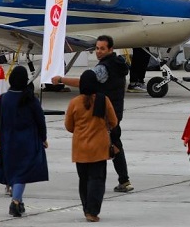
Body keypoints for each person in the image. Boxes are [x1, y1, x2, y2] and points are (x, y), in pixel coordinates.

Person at [53, 35, 132, 192]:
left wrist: (61, 79)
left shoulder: (104, 67)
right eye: (97, 48)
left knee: (108, 144)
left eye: (102, 49)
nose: (98, 52)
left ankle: (117, 180)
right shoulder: (118, 63)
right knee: (115, 142)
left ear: (110, 49)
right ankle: (124, 180)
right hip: (115, 108)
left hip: (105, 110)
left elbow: (84, 81)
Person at [0, 66, 48, 217]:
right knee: (22, 173)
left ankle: (18, 201)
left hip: (8, 141)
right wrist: (43, 138)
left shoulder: (3, 99)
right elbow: (40, 120)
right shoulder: (30, 99)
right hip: (28, 142)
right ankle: (15, 202)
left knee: (15, 172)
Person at [65, 70, 118, 222]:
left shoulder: (74, 102)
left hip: (80, 148)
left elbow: (69, 126)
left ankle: (86, 208)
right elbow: (113, 122)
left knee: (83, 180)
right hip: (99, 148)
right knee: (97, 180)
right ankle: (93, 211)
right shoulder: (103, 100)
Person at [127, 0, 152, 92]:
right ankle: (134, 82)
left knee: (144, 55)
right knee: (140, 55)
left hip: (141, 28)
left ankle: (139, 81)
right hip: (136, 28)